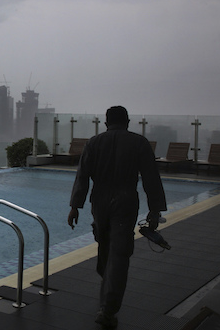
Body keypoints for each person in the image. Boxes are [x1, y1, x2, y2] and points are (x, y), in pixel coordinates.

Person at [67, 106, 167, 328]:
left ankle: (107, 290)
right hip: (125, 200)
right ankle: (108, 307)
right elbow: (151, 177)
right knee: (119, 252)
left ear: (106, 123)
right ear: (128, 122)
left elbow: (82, 176)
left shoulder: (94, 143)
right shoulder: (138, 143)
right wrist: (155, 209)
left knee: (105, 245)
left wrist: (75, 206)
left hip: (99, 201)